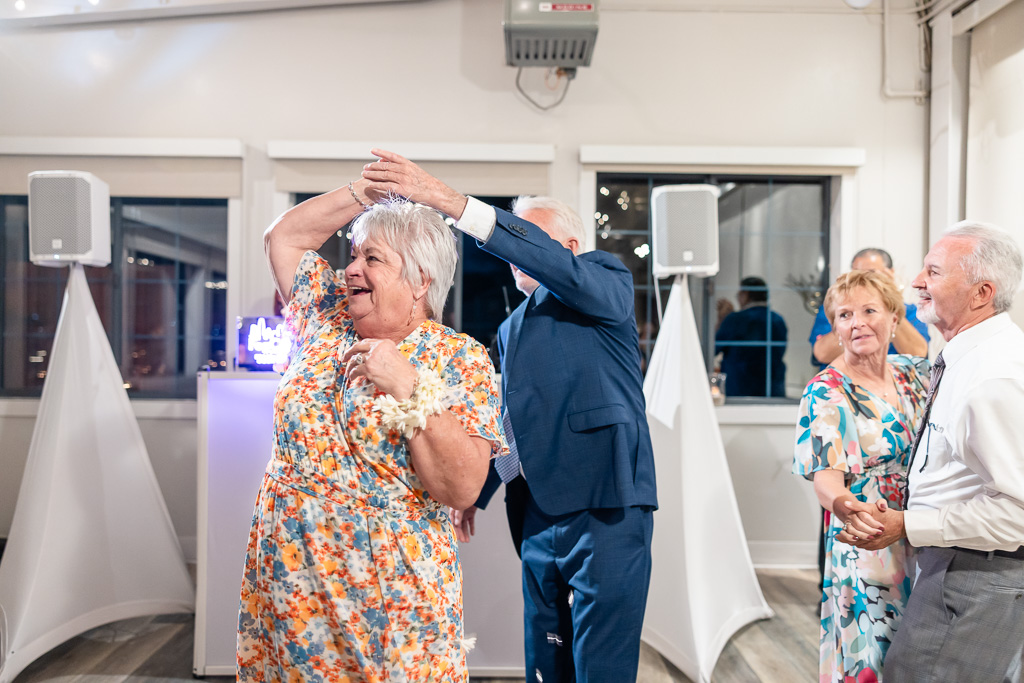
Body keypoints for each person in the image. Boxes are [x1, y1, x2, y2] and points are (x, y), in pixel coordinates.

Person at [362, 149, 658, 683]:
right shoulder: (509, 329)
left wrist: (452, 204)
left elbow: (553, 266)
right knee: (546, 661)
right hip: (537, 513)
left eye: (530, 238)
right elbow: (507, 424)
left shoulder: (604, 277)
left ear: (566, 249)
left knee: (602, 666)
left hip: (606, 502)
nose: (517, 250)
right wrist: (478, 493)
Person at [237, 186, 506, 682]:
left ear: (420, 280)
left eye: (373, 258)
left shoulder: (458, 357)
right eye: (354, 254)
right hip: (290, 579)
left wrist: (408, 385)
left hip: (387, 594)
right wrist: (366, 193)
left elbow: (463, 486)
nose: (350, 269)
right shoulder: (325, 318)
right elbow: (284, 237)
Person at [841, 223, 1024, 682]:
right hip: (955, 564)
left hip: (977, 576)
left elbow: (1018, 513)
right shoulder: (971, 359)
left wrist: (907, 523)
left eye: (933, 271)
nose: (914, 283)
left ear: (981, 292)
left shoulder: (992, 376)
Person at [793, 270, 928, 682]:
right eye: (845, 315)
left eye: (869, 310)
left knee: (922, 652)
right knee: (874, 654)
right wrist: (849, 508)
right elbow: (826, 479)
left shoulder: (914, 373)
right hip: (868, 538)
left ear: (893, 316)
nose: (857, 323)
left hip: (924, 530)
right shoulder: (825, 391)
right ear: (834, 327)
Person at [810, 248, 930, 368]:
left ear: (890, 274)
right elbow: (822, 354)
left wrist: (889, 302)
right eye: (856, 274)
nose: (863, 280)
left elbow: (918, 354)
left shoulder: (910, 312)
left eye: (871, 273)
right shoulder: (835, 309)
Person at [715, 275, 788, 397]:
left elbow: (713, 348)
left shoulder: (735, 320)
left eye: (739, 294)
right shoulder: (778, 320)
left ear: (745, 294)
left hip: (739, 391)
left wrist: (722, 319)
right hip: (773, 390)